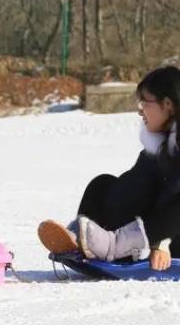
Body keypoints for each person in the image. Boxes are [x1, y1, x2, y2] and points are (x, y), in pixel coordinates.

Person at [38, 65, 180, 270]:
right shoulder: (159, 145)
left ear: (168, 104)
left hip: (171, 239)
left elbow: (170, 196)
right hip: (149, 231)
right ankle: (82, 237)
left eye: (145, 102)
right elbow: (137, 186)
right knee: (103, 184)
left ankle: (113, 245)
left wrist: (160, 244)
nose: (140, 110)